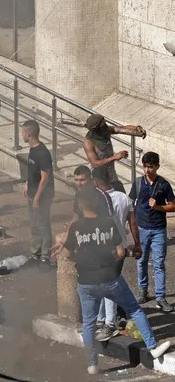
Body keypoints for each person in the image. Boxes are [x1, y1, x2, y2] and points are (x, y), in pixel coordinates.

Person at [64, 188, 170, 374]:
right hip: (110, 278)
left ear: (80, 205)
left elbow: (67, 255)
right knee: (134, 310)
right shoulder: (108, 223)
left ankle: (92, 364)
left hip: (86, 282)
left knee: (89, 323)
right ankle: (152, 347)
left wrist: (85, 259)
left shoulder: (76, 227)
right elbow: (120, 252)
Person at [94, 164, 140, 340]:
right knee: (107, 283)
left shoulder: (97, 198)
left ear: (96, 181)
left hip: (105, 248)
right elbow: (132, 223)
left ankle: (108, 323)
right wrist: (137, 245)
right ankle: (104, 319)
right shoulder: (123, 197)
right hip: (120, 246)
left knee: (106, 284)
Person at [131, 150, 175, 311]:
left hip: (158, 230)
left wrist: (158, 207)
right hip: (141, 229)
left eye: (150, 166)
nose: (147, 170)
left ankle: (161, 297)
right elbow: (130, 203)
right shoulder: (138, 183)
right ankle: (143, 291)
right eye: (145, 166)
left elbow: (173, 205)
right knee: (141, 261)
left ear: (157, 167)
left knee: (159, 264)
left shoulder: (164, 185)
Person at [84, 113, 145, 194]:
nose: (105, 126)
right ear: (97, 129)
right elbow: (95, 163)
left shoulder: (106, 131)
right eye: (102, 126)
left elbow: (122, 128)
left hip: (112, 175)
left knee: (122, 196)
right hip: (100, 180)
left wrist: (136, 128)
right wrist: (114, 157)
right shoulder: (89, 143)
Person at [21, 119, 54, 263]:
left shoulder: (43, 152)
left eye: (23, 132)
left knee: (43, 225)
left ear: (29, 134)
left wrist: (37, 198)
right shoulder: (32, 150)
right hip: (32, 193)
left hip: (42, 196)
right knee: (34, 225)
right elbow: (33, 171)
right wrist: (27, 183)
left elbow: (45, 178)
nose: (22, 135)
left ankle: (45, 257)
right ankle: (36, 253)